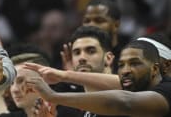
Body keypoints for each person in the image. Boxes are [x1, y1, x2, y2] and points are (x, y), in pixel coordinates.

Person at [25, 40, 171, 117]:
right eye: (121, 65)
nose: (126, 70)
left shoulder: (167, 89)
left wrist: (53, 96)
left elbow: (124, 101)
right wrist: (63, 75)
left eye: (135, 63)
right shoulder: (132, 90)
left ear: (155, 69)